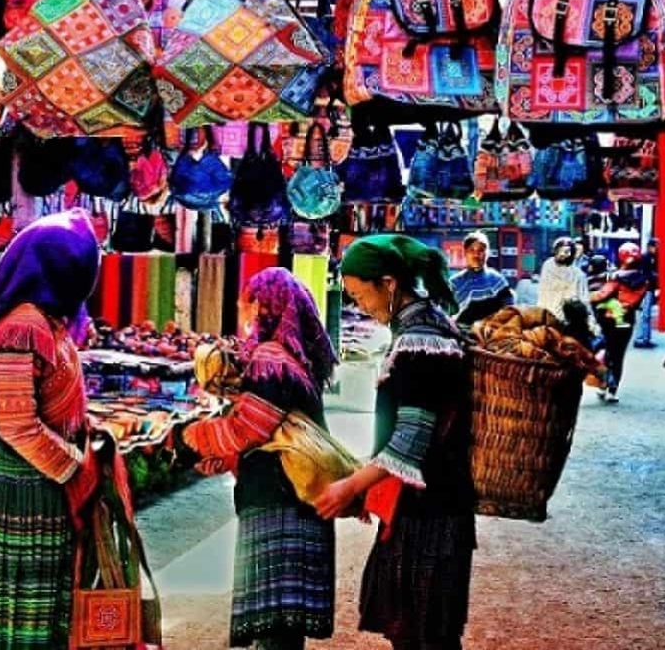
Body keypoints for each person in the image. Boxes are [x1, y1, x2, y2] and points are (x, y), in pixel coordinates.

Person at [317, 235, 476, 650]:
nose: (358, 306)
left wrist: (351, 486)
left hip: (430, 511)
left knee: (422, 635)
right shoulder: (427, 327)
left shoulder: (421, 341)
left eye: (359, 294)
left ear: (388, 283)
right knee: (424, 633)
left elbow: (411, 437)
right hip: (432, 506)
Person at [169, 267, 337, 650]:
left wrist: (189, 436)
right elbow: (269, 434)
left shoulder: (270, 360)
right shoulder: (297, 360)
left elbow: (247, 430)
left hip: (280, 506)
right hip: (296, 500)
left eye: (246, 300)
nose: (241, 308)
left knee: (274, 630)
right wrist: (226, 459)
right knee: (282, 631)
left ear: (262, 305)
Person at [0, 209, 102, 650]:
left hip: (44, 484)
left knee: (43, 602)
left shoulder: (46, 323)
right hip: (30, 485)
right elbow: (17, 425)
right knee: (27, 605)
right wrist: (77, 469)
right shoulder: (22, 329)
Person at [590, 243, 651, 404]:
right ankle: (612, 389)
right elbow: (636, 300)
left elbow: (601, 295)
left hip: (609, 319)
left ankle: (603, 384)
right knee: (619, 355)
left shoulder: (616, 277)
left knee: (606, 350)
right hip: (627, 319)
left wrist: (586, 296)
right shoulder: (643, 279)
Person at [536, 236, 600, 346]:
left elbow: (583, 300)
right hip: (547, 315)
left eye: (566, 251)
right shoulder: (548, 266)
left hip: (569, 319)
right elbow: (543, 292)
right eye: (560, 250)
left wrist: (591, 322)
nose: (562, 254)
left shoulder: (578, 274)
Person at [449, 231, 514, 327]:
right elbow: (446, 315)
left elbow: (510, 312)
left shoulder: (498, 281)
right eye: (472, 250)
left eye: (481, 250)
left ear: (487, 253)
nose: (476, 255)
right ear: (465, 253)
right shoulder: (454, 282)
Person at [633, 239, 660, 349]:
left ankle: (646, 338)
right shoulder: (645, 258)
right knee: (645, 315)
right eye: (655, 246)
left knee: (647, 315)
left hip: (650, 289)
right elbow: (644, 274)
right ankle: (640, 339)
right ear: (650, 246)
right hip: (645, 289)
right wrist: (654, 276)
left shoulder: (652, 257)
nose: (657, 248)